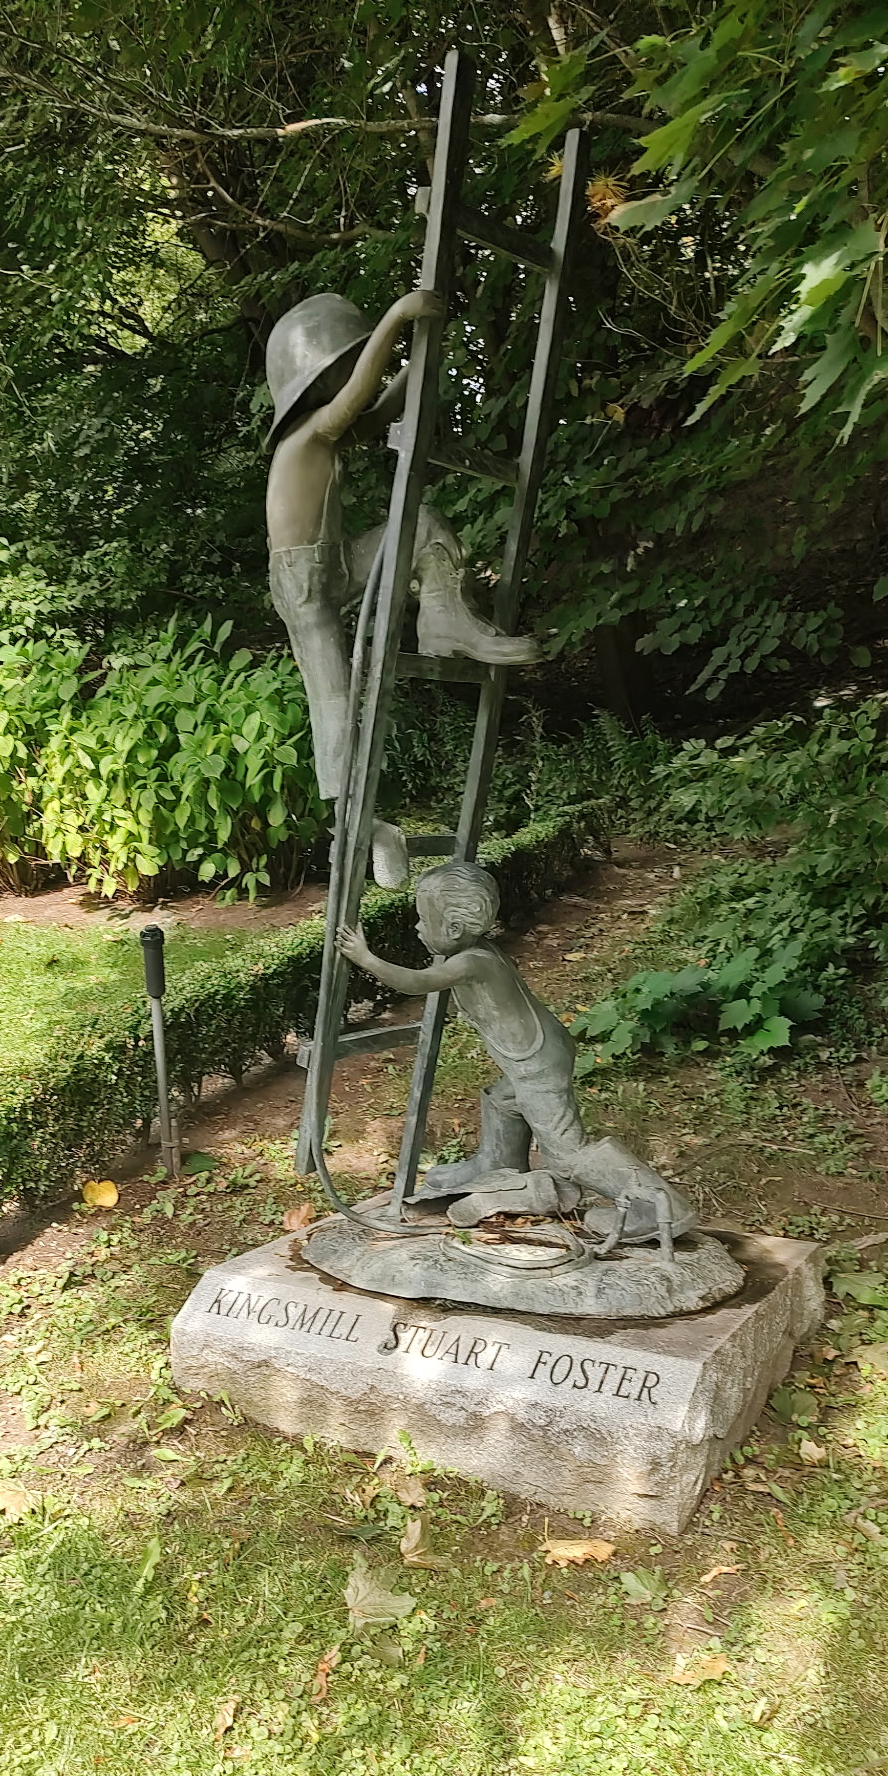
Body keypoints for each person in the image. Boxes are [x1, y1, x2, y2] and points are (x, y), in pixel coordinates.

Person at [265, 291, 539, 885]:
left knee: (423, 522)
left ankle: (445, 619)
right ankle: (362, 828)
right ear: (313, 382)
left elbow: (381, 407)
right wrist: (396, 318)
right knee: (334, 708)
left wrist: (421, 354)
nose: (349, 374)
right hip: (304, 585)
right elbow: (362, 396)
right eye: (340, 365)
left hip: (332, 563)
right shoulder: (306, 437)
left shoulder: (328, 432)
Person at [337, 860, 697, 1249]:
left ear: (455, 930)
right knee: (502, 1099)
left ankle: (659, 1204)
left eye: (424, 920)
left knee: (567, 1152)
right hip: (535, 1055)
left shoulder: (470, 962)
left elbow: (419, 982)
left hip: (538, 1064)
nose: (417, 927)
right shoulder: (477, 950)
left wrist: (367, 958)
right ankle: (499, 1166)